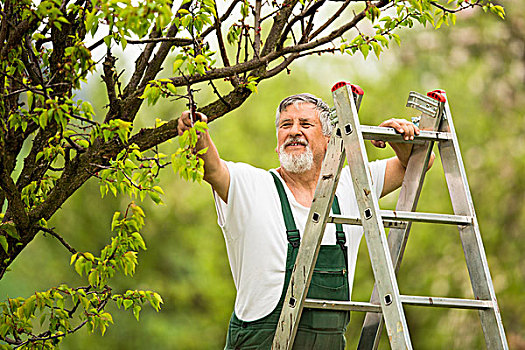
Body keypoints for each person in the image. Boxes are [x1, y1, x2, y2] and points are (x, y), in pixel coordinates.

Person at [177, 92, 433, 349]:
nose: (294, 132)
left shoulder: (351, 185)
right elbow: (212, 168)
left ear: (328, 139)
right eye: (286, 125)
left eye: (305, 124)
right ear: (277, 142)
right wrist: (197, 134)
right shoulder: (252, 185)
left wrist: (398, 137)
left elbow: (420, 162)